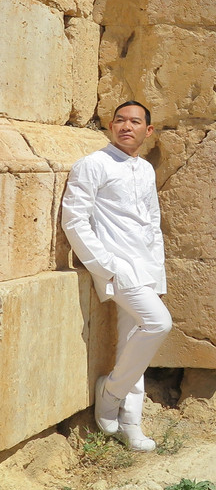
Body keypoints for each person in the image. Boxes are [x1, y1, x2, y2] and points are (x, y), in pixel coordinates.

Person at [61, 100, 172, 451]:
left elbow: (152, 223)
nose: (127, 126)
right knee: (158, 324)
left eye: (135, 122)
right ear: (111, 126)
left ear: (147, 131)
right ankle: (109, 393)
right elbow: (75, 220)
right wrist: (107, 266)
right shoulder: (93, 164)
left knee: (131, 343)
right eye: (120, 120)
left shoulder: (146, 170)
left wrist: (157, 271)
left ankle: (131, 422)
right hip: (117, 268)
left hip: (146, 269)